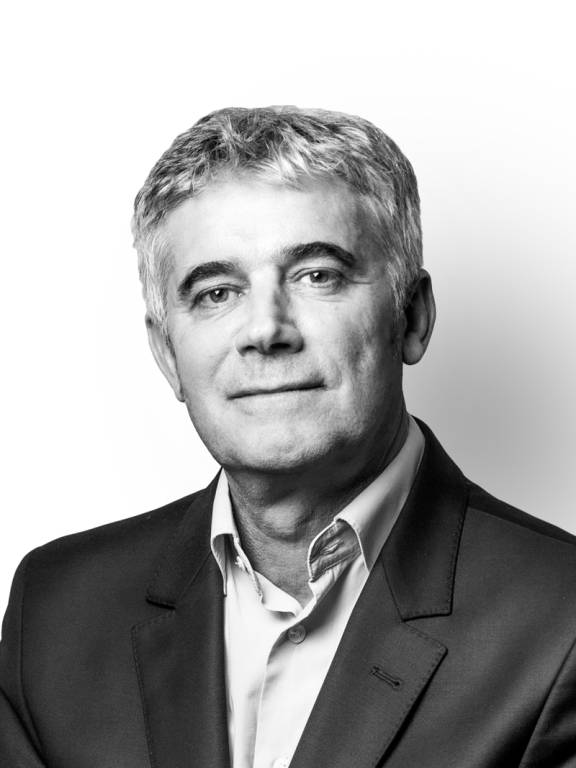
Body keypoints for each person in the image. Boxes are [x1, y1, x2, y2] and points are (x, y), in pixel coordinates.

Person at [1, 106, 575, 768]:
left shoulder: (561, 621)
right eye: (216, 292)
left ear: (412, 317)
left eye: (317, 275)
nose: (265, 330)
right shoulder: (56, 611)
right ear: (167, 355)